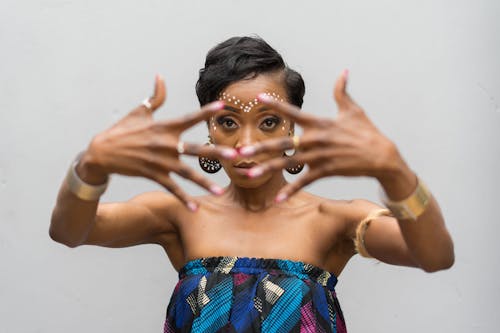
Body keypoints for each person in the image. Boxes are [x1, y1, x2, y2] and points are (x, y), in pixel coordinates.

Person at [50, 36, 454, 332]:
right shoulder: (178, 215)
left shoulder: (333, 220)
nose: (247, 145)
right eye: (228, 122)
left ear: (293, 125)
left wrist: (396, 173)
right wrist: (90, 169)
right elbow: (69, 231)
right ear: (208, 129)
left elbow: (435, 255)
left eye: (268, 122)